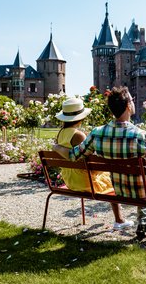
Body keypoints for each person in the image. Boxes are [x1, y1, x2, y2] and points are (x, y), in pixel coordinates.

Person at [53, 87, 146, 241]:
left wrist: (57, 147)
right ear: (128, 106)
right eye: (132, 100)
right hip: (143, 191)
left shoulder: (96, 134)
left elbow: (73, 155)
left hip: (118, 191)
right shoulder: (142, 136)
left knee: (141, 179)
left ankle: (143, 223)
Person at [54, 97, 133, 230]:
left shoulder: (61, 133)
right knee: (111, 178)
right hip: (84, 181)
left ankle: (119, 219)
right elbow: (90, 162)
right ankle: (119, 220)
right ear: (81, 117)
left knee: (107, 175)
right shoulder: (78, 135)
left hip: (69, 179)